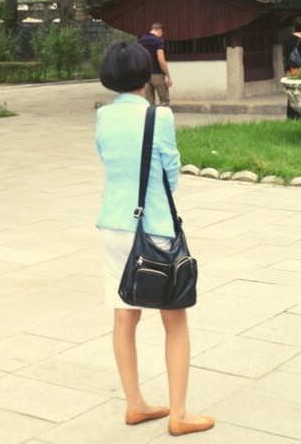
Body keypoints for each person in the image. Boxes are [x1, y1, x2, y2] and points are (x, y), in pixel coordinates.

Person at [95, 42, 215, 435]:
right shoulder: (158, 117)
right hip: (155, 228)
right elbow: (171, 175)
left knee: (124, 314)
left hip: (113, 225)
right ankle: (179, 414)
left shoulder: (103, 118)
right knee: (174, 319)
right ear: (147, 74)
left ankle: (135, 404)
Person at [136, 23, 173, 106]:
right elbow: (161, 60)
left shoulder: (140, 40)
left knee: (149, 102)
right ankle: (163, 118)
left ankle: (150, 118)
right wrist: (168, 76)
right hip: (157, 74)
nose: (161, 35)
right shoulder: (158, 41)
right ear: (160, 30)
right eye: (162, 33)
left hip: (144, 74)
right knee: (164, 101)